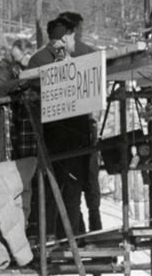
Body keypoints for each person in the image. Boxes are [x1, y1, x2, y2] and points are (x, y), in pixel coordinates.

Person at [27, 12, 103, 240]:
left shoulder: (40, 59)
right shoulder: (53, 60)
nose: (75, 41)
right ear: (64, 38)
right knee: (69, 186)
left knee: (63, 186)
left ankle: (63, 234)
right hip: (66, 132)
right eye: (72, 37)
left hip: (61, 131)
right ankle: (67, 235)